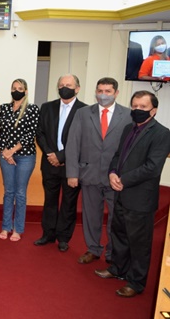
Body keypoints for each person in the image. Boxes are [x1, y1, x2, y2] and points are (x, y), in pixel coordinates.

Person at [95, 91, 170, 297]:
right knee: (119, 234)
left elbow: (152, 167)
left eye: (143, 107)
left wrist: (123, 180)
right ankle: (118, 269)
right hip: (120, 193)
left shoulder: (162, 134)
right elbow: (118, 156)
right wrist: (112, 173)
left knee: (139, 243)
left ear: (153, 111)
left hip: (140, 197)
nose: (137, 110)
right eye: (134, 106)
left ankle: (136, 282)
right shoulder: (129, 128)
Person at [65, 77, 132, 264]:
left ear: (116, 93)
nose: (103, 95)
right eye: (100, 90)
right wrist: (72, 173)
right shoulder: (83, 113)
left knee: (115, 219)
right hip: (89, 173)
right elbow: (73, 144)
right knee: (91, 216)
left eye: (108, 91)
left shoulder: (128, 115)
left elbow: (131, 147)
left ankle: (112, 253)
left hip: (115, 177)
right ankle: (93, 249)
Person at [34, 74, 86, 252]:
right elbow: (39, 133)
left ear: (77, 88)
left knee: (69, 202)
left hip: (71, 165)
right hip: (49, 163)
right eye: (62, 84)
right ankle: (47, 234)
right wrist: (51, 154)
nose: (65, 87)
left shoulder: (85, 110)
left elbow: (83, 140)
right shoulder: (47, 107)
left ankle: (63, 237)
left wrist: (61, 156)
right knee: (50, 200)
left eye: (69, 85)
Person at [0, 79, 39, 241]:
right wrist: (5, 153)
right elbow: (1, 133)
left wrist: (13, 150)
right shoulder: (4, 108)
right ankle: (6, 227)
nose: (16, 90)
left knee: (20, 193)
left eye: (20, 88)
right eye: (14, 88)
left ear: (26, 91)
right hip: (6, 156)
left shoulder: (32, 109)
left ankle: (18, 229)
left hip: (25, 156)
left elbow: (30, 134)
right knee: (8, 192)